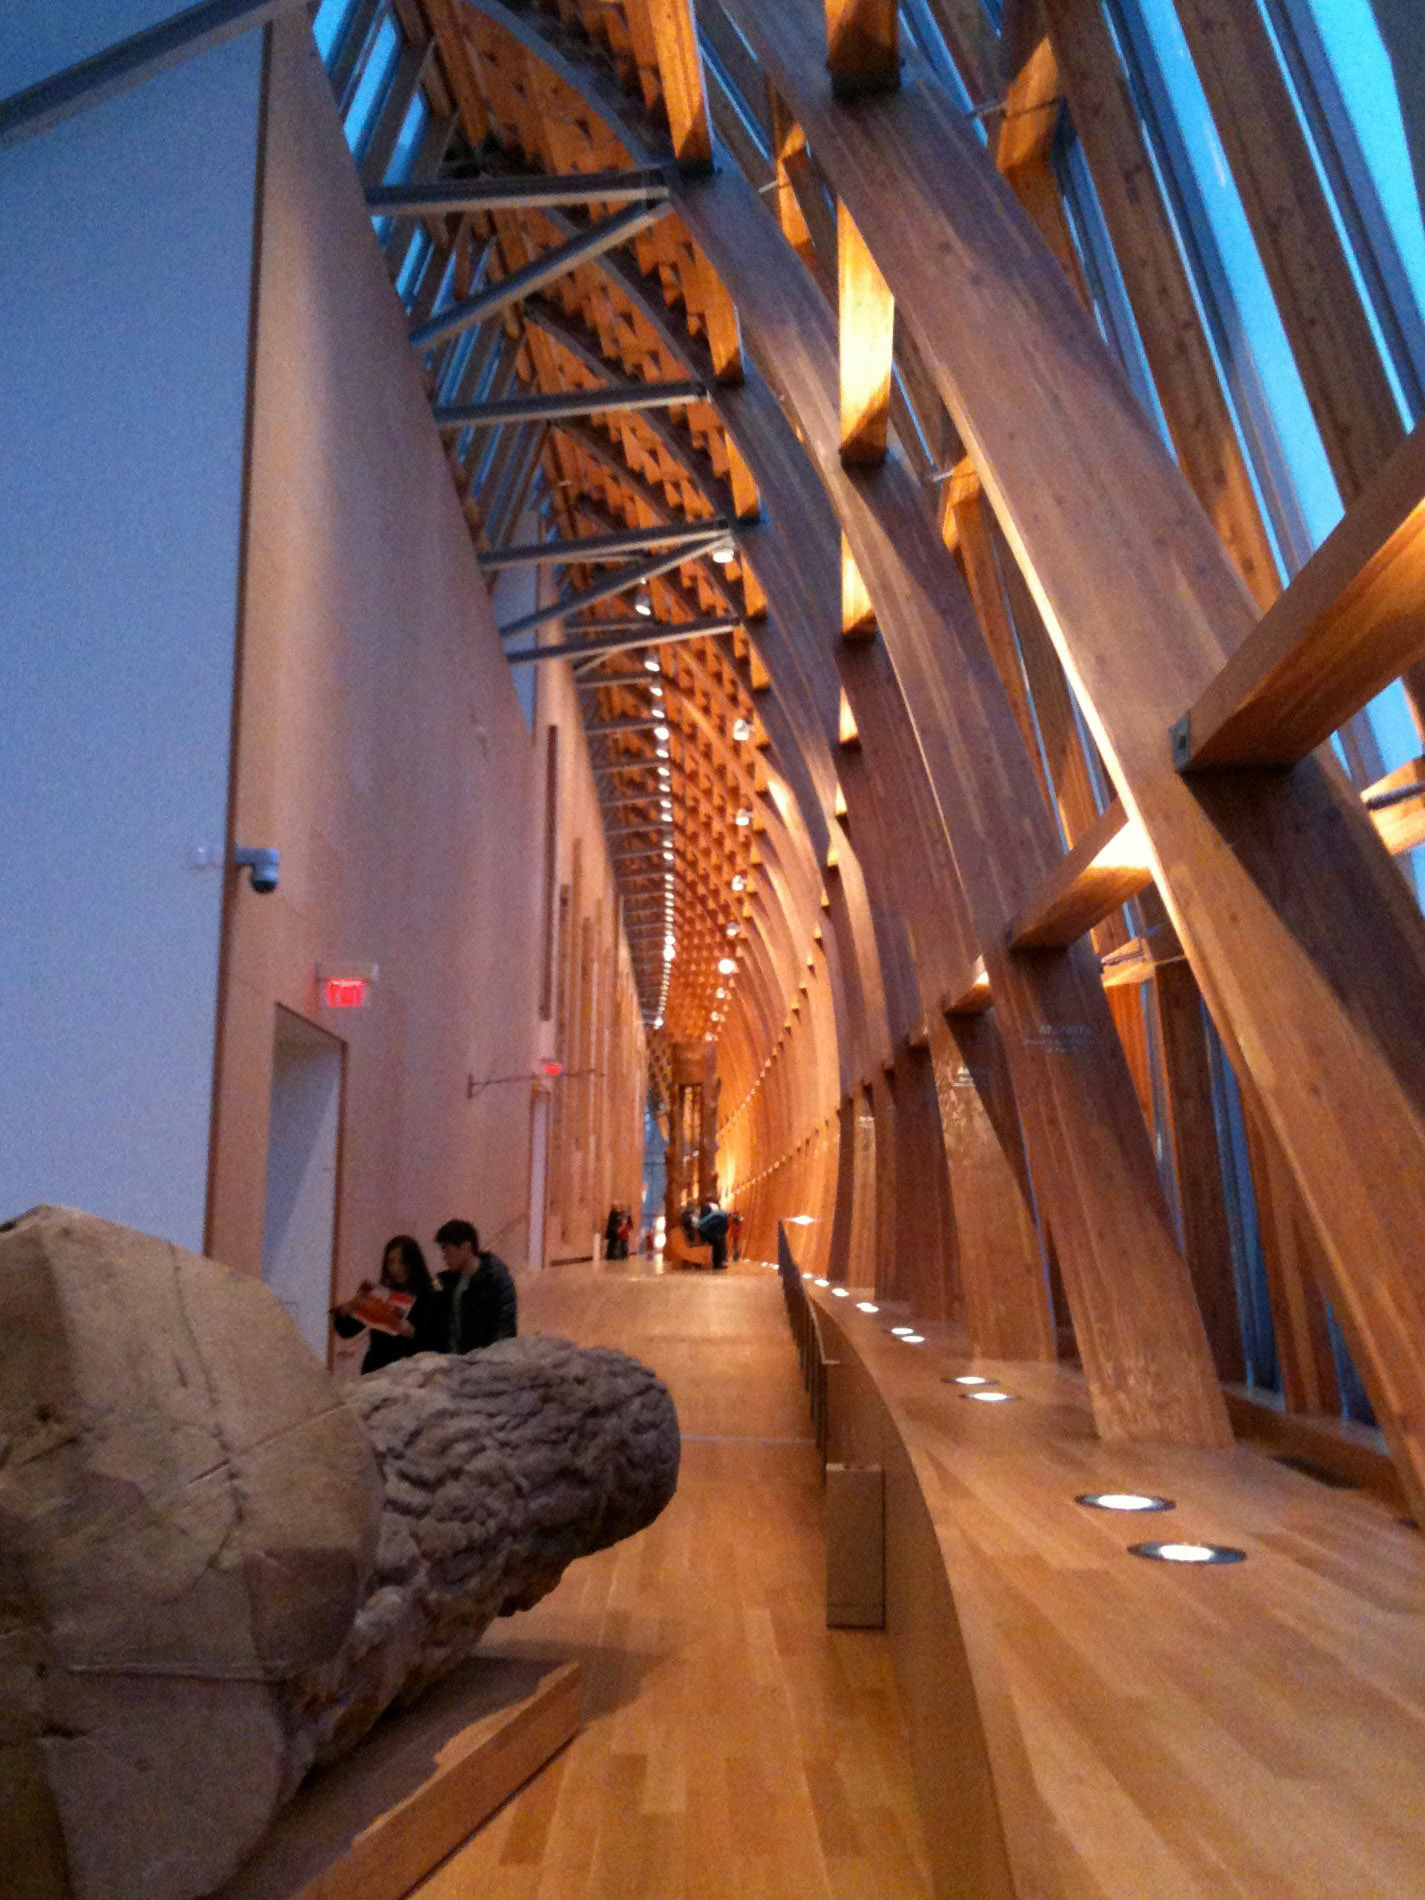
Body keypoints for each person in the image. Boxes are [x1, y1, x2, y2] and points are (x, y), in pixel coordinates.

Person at [331, 1234, 439, 1374]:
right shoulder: (382, 1292)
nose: (396, 1268)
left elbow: (435, 1339)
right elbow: (347, 1330)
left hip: (411, 1371)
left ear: (413, 1263)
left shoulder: (429, 1293)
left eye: (402, 1262)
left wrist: (412, 1332)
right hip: (377, 1369)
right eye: (391, 1262)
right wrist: (349, 1308)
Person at [433, 1218, 518, 1353]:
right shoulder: (446, 1280)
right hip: (454, 1357)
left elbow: (504, 1327)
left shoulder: (496, 1280)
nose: (444, 1257)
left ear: (465, 1247)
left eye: (447, 1250)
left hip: (484, 1358)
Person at [698, 1199, 730, 1272]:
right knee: (718, 1243)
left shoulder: (721, 1215)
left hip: (702, 1229)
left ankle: (718, 1263)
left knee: (718, 1241)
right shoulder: (722, 1217)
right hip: (703, 1231)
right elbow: (719, 1229)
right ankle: (717, 1264)